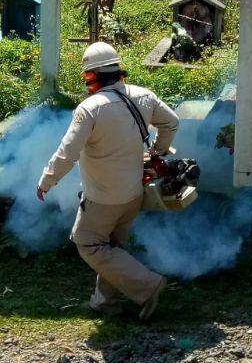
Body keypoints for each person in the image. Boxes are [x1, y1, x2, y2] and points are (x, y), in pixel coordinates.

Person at [36, 42, 180, 320]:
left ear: (92, 77)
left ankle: (149, 285)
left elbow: (68, 153)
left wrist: (46, 180)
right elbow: (171, 122)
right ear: (117, 70)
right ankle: (105, 303)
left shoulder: (89, 109)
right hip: (134, 193)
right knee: (114, 248)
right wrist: (158, 152)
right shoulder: (143, 95)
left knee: (87, 243)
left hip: (102, 197)